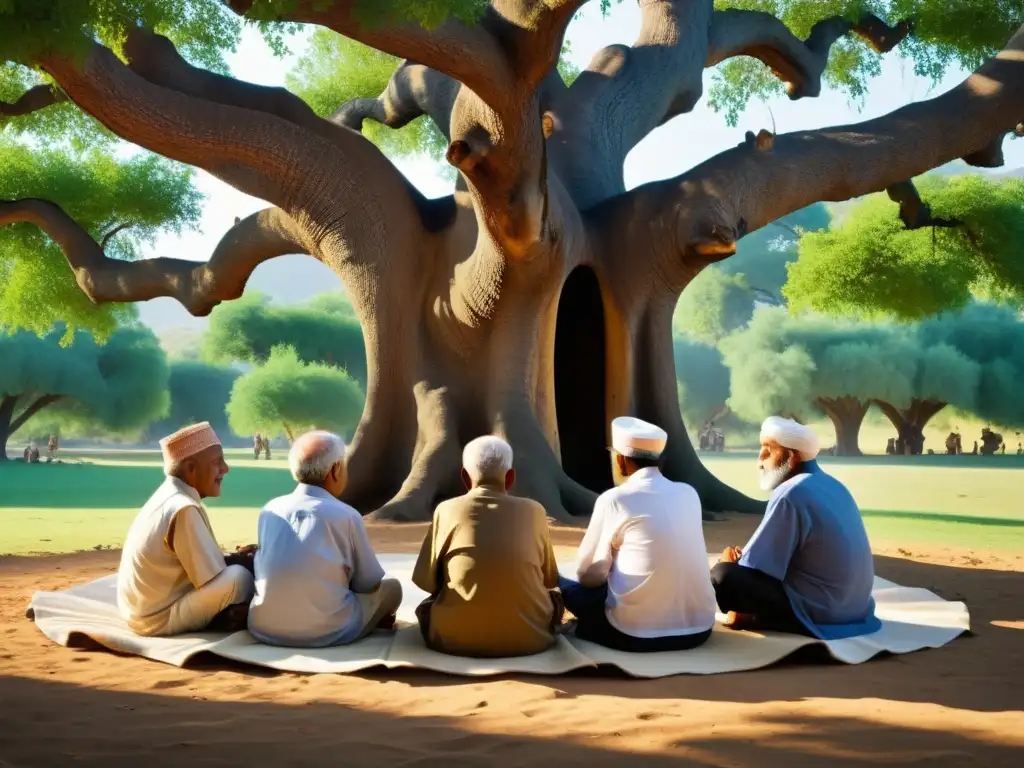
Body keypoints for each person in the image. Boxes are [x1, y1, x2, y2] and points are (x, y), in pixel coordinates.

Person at [712, 417, 881, 640]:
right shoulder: (834, 484)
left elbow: (757, 567)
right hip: (855, 608)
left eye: (767, 451)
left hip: (823, 613)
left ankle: (756, 617)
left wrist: (728, 562)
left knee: (723, 576)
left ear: (791, 457)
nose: (759, 462)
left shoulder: (790, 493)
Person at [558, 417, 715, 652]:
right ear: (660, 460)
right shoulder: (689, 494)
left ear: (620, 461)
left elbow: (588, 576)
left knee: (565, 579)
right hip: (699, 630)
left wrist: (609, 559)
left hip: (633, 635)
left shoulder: (614, 499)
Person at [412, 436, 563, 658]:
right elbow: (549, 579)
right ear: (510, 478)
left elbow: (426, 581)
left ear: (464, 476)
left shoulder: (446, 510)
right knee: (559, 595)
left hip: (452, 639)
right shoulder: (535, 511)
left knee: (427, 607)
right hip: (531, 640)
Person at [248, 431, 401, 647]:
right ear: (336, 470)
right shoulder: (346, 515)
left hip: (263, 627)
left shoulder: (269, 509)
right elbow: (368, 583)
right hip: (328, 632)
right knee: (392, 588)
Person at [117, 423, 254, 636]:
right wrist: (247, 562)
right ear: (191, 468)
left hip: (138, 611)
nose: (225, 469)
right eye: (217, 462)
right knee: (240, 577)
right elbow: (213, 577)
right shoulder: (183, 507)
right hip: (156, 619)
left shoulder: (170, 495)